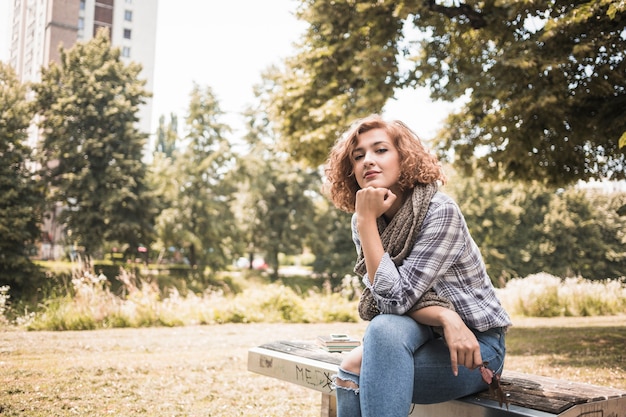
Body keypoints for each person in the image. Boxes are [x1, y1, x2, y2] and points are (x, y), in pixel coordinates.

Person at [324, 114, 512, 417]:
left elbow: (396, 300)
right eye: (358, 156)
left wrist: (366, 223)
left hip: (474, 347)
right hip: (422, 332)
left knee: (356, 365)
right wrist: (444, 315)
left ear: (404, 158)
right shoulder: (364, 218)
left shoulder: (439, 210)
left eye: (380, 150)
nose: (367, 161)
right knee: (382, 331)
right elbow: (386, 302)